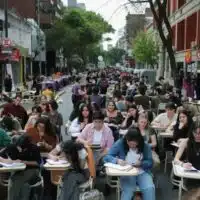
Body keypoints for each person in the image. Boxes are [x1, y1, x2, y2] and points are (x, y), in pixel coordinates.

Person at [104, 128, 155, 200]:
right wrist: (117, 160)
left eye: (135, 144)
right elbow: (107, 157)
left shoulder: (145, 145)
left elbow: (150, 162)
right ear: (127, 140)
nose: (132, 146)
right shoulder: (120, 143)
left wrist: (141, 163)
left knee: (149, 188)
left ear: (138, 141)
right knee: (128, 190)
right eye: (130, 143)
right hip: (127, 172)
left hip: (142, 172)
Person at [0, 135, 41, 200]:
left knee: (14, 180)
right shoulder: (13, 146)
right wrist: (7, 161)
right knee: (23, 184)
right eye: (18, 147)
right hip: (17, 170)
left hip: (32, 169)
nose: (20, 149)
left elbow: (38, 163)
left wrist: (23, 161)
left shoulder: (34, 148)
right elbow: (1, 155)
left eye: (22, 148)